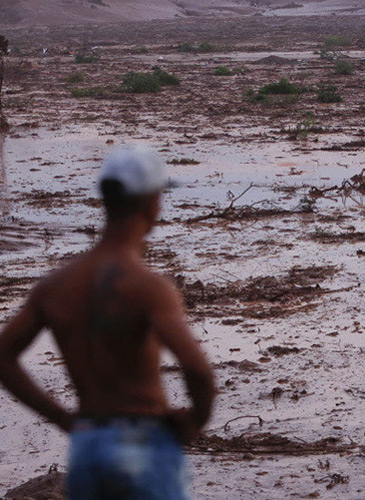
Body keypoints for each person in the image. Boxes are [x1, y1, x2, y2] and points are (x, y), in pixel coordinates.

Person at [0, 146, 216, 499]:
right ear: (151, 203)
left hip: (88, 446)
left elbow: (4, 356)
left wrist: (63, 419)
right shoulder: (147, 287)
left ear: (105, 199)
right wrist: (195, 421)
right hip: (144, 441)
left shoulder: (56, 285)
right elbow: (197, 369)